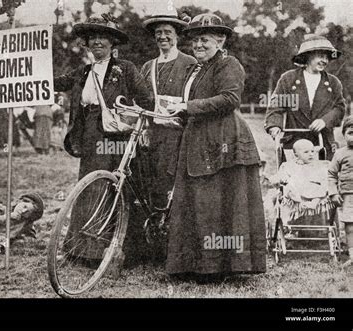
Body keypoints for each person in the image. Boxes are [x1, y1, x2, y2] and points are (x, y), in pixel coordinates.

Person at [165, 14, 266, 281]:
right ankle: (195, 265)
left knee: (217, 203)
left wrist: (188, 107)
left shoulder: (228, 64)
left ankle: (217, 267)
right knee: (198, 202)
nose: (198, 44)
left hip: (224, 140)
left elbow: (230, 99)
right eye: (195, 39)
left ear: (220, 41)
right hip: (198, 136)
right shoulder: (197, 69)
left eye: (205, 39)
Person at [53, 14, 152, 266]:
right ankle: (82, 249)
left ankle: (110, 250)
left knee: (113, 185)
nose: (97, 42)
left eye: (103, 38)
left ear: (112, 43)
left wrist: (128, 113)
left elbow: (146, 98)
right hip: (89, 132)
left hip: (115, 135)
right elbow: (56, 83)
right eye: (93, 38)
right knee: (89, 184)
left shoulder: (126, 69)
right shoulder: (83, 71)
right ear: (87, 43)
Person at [137, 9, 196, 263]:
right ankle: (151, 244)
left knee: (172, 185)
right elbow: (140, 99)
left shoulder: (189, 63)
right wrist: (143, 127)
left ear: (177, 36)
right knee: (149, 184)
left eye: (168, 33)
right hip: (153, 134)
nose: (163, 37)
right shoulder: (148, 66)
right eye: (159, 33)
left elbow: (195, 98)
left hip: (178, 134)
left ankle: (174, 247)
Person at [264, 35, 346, 160]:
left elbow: (339, 108)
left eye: (327, 57)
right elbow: (277, 106)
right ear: (307, 56)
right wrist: (274, 125)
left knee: (322, 177)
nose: (324, 60)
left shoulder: (333, 82)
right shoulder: (288, 79)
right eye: (320, 56)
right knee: (293, 177)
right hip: (295, 144)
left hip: (323, 143)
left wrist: (324, 120)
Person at [270, 139, 331, 225]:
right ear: (296, 155)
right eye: (306, 152)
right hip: (297, 191)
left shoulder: (318, 165)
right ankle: (300, 204)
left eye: (312, 151)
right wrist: (279, 180)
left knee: (325, 186)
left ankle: (314, 202)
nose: (311, 154)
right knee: (288, 188)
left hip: (314, 188)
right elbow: (281, 175)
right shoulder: (289, 165)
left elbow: (325, 175)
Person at [328, 116, 353, 268]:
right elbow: (331, 174)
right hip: (348, 195)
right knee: (350, 226)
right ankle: (352, 254)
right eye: (351, 133)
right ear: (344, 134)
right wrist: (334, 193)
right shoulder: (340, 153)